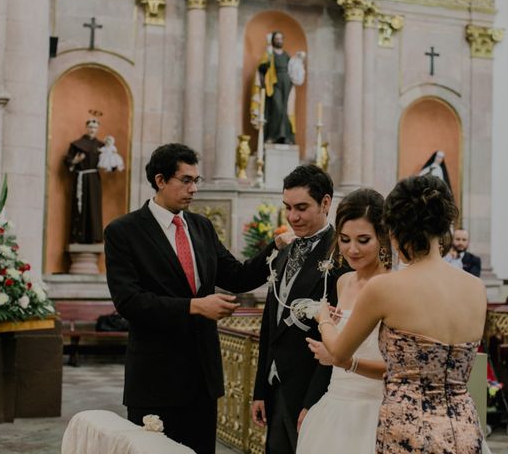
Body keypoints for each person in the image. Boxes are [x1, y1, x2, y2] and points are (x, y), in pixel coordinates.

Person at [104, 143, 280, 453]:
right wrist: (196, 306)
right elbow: (129, 302)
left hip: (202, 378)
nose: (194, 189)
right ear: (160, 180)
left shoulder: (201, 227)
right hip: (156, 379)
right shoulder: (124, 231)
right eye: (186, 180)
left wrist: (276, 248)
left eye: (196, 180)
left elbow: (238, 277)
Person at [316, 175, 487, 453]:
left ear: (394, 231)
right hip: (465, 426)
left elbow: (338, 354)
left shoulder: (386, 287)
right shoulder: (476, 288)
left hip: (407, 429)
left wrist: (323, 316)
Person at [252, 164, 340, 454]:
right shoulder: (284, 251)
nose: (292, 217)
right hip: (275, 387)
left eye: (301, 207)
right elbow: (270, 325)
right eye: (288, 207)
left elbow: (339, 338)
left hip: (311, 391)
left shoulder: (340, 255)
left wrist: (313, 401)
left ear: (325, 202)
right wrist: (260, 391)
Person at [297, 188, 389, 454]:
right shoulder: (343, 282)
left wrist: (340, 356)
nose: (352, 249)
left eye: (363, 240)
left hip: (374, 409)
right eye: (345, 239)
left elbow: (399, 366)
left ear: (382, 237)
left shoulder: (393, 286)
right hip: (335, 405)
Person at [253, 31, 305, 144]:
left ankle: (285, 136)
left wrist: (299, 58)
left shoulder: (286, 55)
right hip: (274, 83)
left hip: (287, 83)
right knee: (277, 108)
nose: (279, 40)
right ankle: (272, 136)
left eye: (281, 38)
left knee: (286, 110)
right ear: (273, 40)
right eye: (277, 38)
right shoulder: (269, 53)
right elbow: (262, 68)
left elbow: (293, 67)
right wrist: (268, 58)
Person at [64, 118, 105, 244]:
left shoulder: (101, 146)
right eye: (91, 127)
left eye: (95, 128)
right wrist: (76, 160)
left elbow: (108, 161)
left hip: (94, 180)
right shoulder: (77, 144)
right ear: (86, 128)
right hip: (81, 179)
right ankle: (78, 237)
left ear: (97, 130)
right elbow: (68, 161)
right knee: (80, 207)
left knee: (93, 206)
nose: (92, 130)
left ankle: (93, 237)